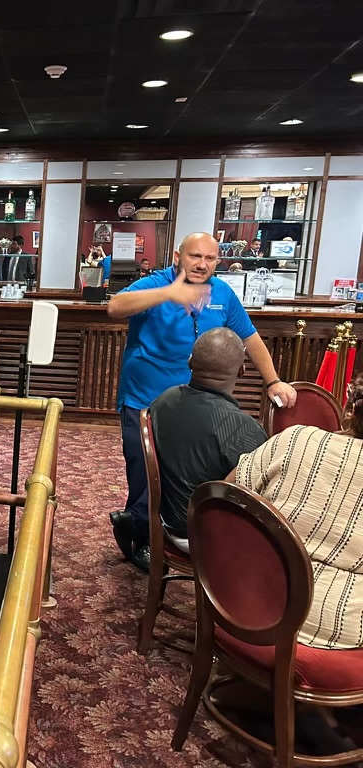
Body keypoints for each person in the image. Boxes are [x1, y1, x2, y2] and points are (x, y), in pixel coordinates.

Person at [106, 231, 297, 572]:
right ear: (177, 257)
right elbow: (114, 307)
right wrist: (168, 293)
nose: (202, 264)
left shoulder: (222, 293)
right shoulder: (155, 283)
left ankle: (158, 524)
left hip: (197, 405)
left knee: (188, 471)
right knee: (145, 471)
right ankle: (140, 532)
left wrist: (273, 381)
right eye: (195, 256)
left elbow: (250, 338)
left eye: (209, 258)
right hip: (146, 398)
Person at [232, 372, 363, 650]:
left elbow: (223, 498)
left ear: (350, 408)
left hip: (244, 604)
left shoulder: (295, 438)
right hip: (342, 637)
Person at [149, 328, 268, 553]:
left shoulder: (163, 400)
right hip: (208, 535)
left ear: (190, 362)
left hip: (166, 521)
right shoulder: (243, 429)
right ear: (242, 371)